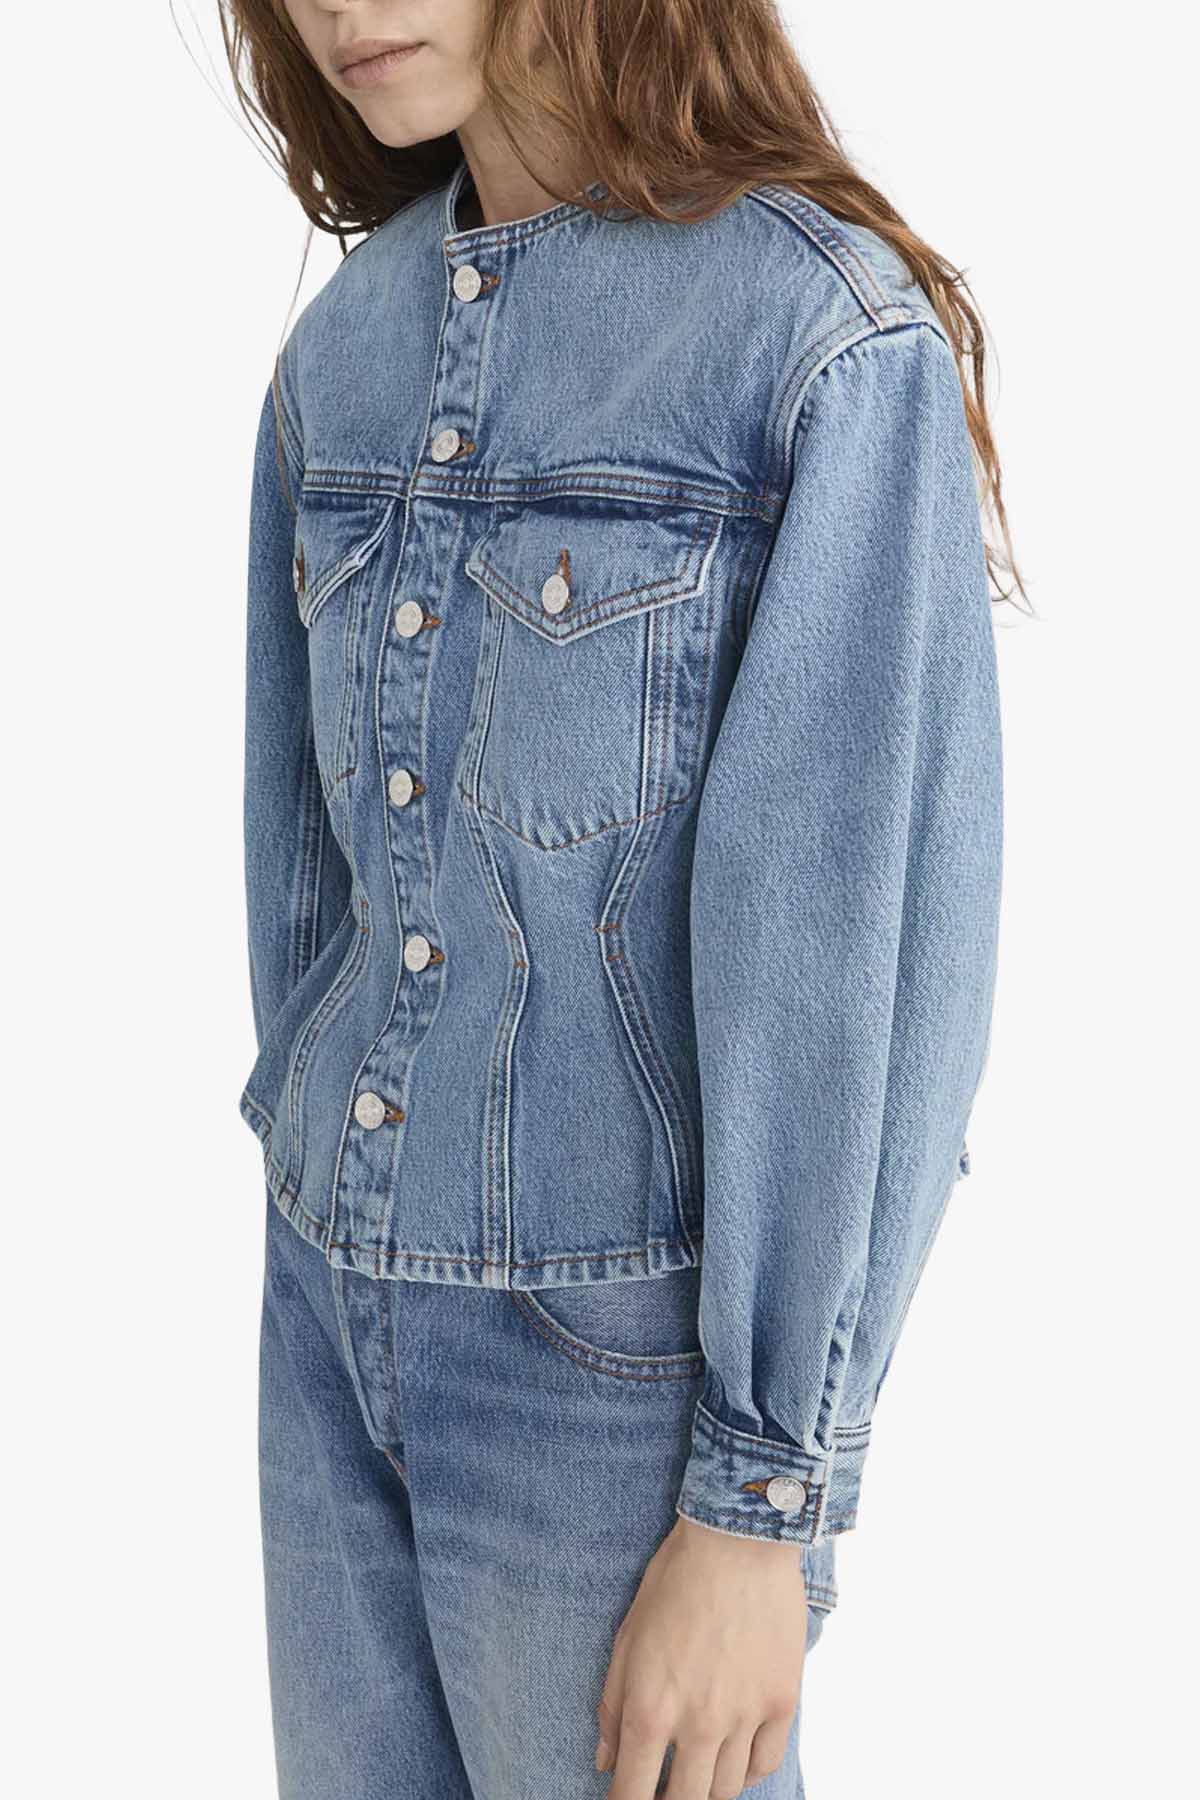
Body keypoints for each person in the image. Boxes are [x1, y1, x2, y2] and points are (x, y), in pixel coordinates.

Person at [227, 3, 1016, 1795]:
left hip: (613, 1378)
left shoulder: (817, 341)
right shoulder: (339, 360)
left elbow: (864, 974)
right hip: (323, 1323)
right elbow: (306, 906)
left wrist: (763, 1498)